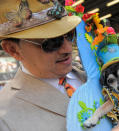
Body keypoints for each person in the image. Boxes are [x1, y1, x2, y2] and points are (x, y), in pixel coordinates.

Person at [0, 0, 86, 130]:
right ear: (13, 50)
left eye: (69, 35)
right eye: (52, 42)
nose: (67, 49)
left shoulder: (94, 73)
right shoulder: (5, 117)